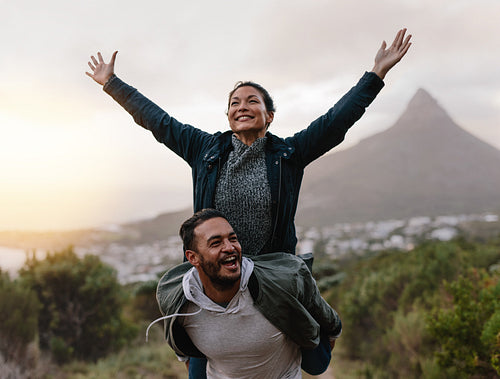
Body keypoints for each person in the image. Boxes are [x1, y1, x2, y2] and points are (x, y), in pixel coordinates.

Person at [86, 28, 411, 376]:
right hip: (216, 276)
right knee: (200, 365)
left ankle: (324, 333)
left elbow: (335, 122)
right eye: (235, 103)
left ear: (269, 115)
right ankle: (190, 350)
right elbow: (158, 121)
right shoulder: (205, 149)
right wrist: (112, 83)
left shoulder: (288, 154)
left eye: (252, 101)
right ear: (228, 116)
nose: (242, 106)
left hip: (270, 275)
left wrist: (375, 75)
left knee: (317, 360)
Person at [149, 208, 342, 378]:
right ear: (193, 257)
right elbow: (182, 350)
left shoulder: (281, 283)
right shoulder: (180, 300)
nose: (230, 247)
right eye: (216, 243)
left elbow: (329, 323)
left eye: (232, 238)